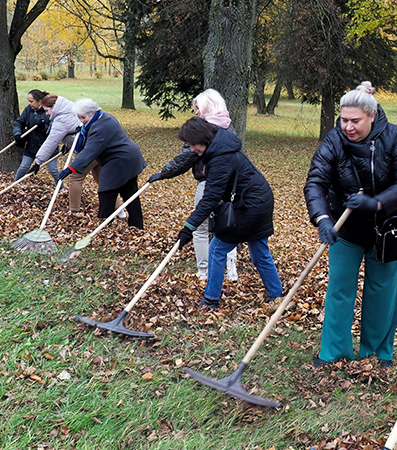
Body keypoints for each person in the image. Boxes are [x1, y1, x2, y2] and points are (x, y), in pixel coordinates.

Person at [303, 83, 397, 368]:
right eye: (344, 120)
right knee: (340, 288)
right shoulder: (334, 140)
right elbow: (316, 181)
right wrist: (322, 219)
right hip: (346, 228)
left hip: (386, 228)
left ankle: (377, 353)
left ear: (372, 115)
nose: (348, 127)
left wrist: (377, 203)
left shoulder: (395, 138)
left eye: (355, 121)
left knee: (382, 290)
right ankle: (334, 352)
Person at [174, 116, 283, 309]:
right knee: (259, 251)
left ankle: (210, 300)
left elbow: (210, 198)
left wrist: (189, 227)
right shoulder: (217, 145)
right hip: (260, 199)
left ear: (203, 139)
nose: (191, 149)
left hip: (250, 206)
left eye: (193, 145)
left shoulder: (220, 158)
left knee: (217, 248)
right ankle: (277, 296)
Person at [148, 89, 238, 282]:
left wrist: (164, 173)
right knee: (227, 225)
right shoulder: (228, 124)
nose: (196, 112)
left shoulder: (203, 128)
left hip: (209, 183)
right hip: (230, 183)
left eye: (198, 107)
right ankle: (231, 271)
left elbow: (185, 158)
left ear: (207, 106)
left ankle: (204, 272)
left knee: (201, 228)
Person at [57, 99, 146, 228]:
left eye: (83, 117)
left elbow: (90, 151)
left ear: (93, 112)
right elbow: (88, 138)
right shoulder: (102, 118)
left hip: (121, 160)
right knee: (130, 193)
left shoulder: (101, 126)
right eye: (79, 118)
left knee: (106, 191)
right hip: (128, 157)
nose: (81, 121)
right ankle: (136, 226)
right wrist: (82, 133)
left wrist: (71, 168)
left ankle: (104, 226)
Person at [28, 95, 80, 205]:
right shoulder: (69, 107)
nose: (46, 113)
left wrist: (38, 162)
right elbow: (73, 129)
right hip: (92, 146)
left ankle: (74, 210)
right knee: (100, 177)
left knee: (75, 178)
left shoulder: (61, 120)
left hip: (85, 150)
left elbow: (51, 142)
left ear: (54, 107)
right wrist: (68, 144)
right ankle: (119, 210)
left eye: (47, 110)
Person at [13, 89, 59, 182]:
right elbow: (19, 122)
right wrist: (17, 134)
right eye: (29, 101)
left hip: (49, 147)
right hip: (32, 145)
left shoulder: (49, 110)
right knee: (23, 167)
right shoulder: (28, 110)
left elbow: (55, 129)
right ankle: (14, 185)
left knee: (53, 170)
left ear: (40, 102)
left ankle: (61, 188)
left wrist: (44, 126)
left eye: (31, 101)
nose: (29, 103)